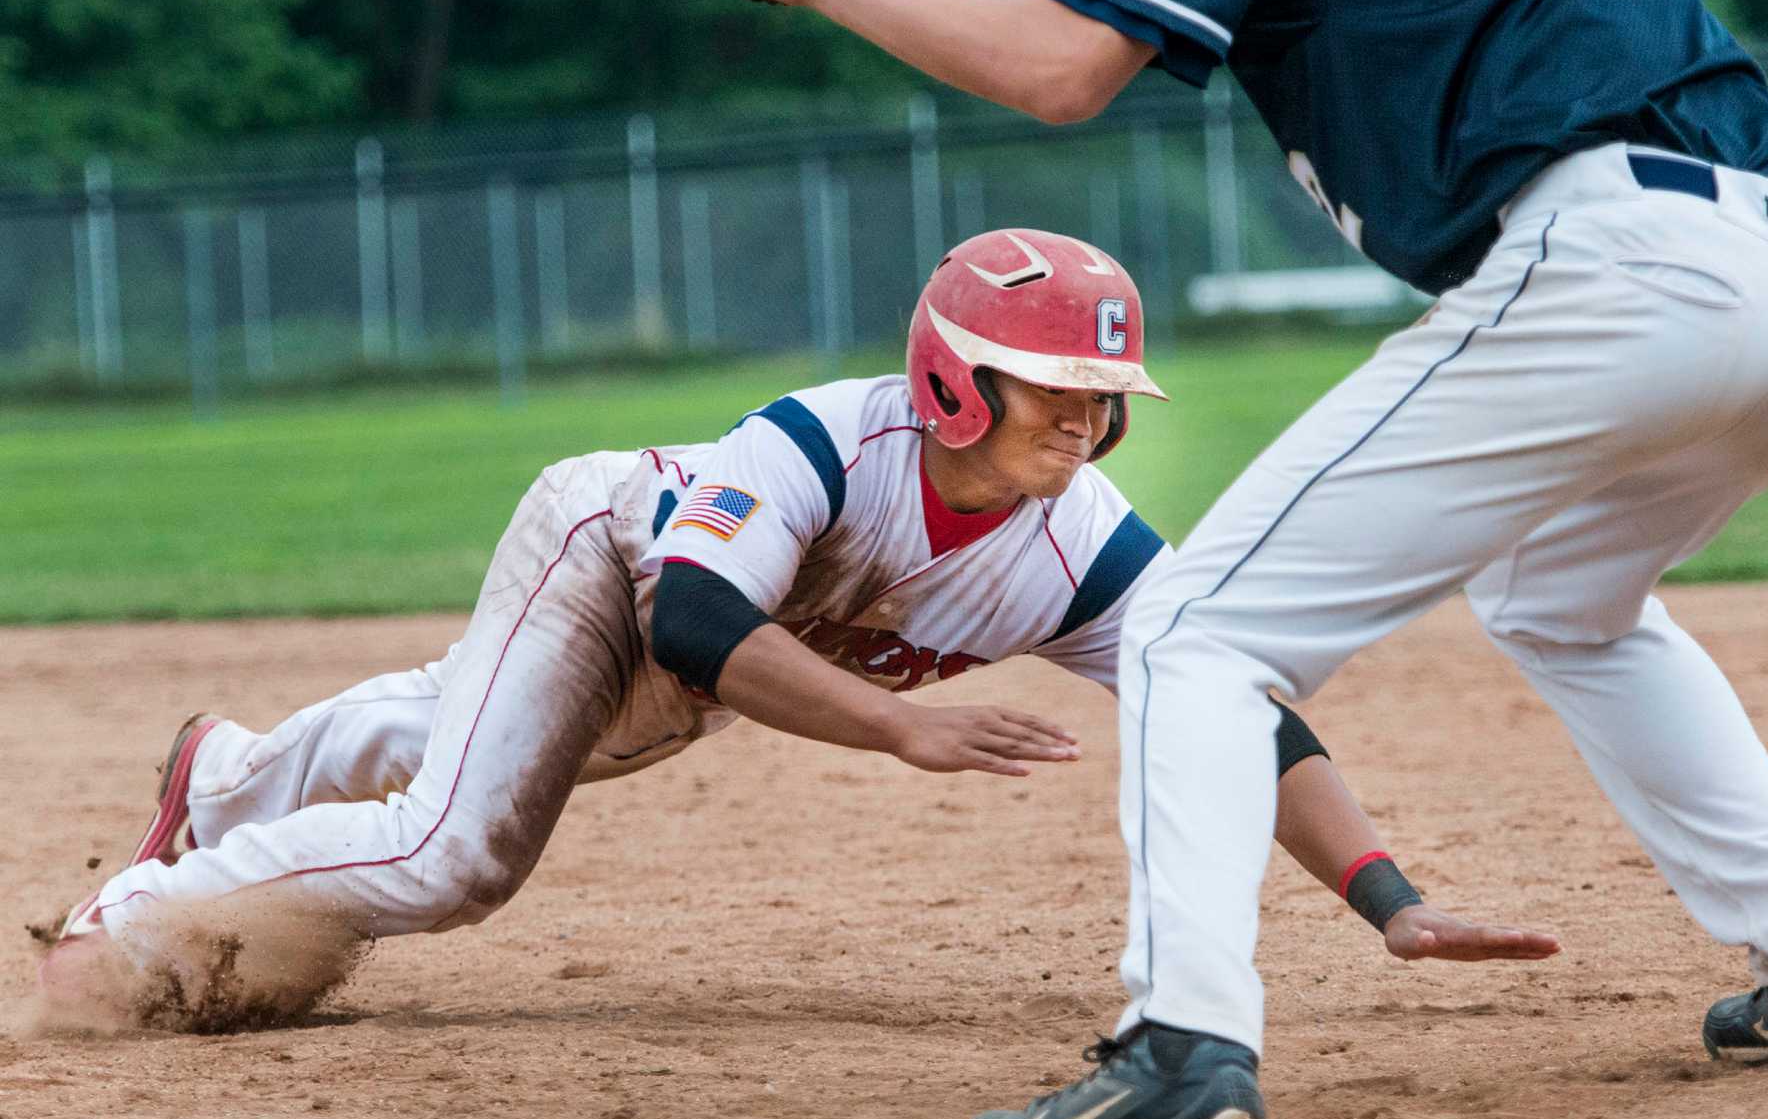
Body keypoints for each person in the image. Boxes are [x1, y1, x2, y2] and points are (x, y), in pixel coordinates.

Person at [711, 0, 1768, 1119]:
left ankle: (1184, 1042)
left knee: (1192, 631)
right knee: (1563, 601)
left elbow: (1060, 71)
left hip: (1623, 267)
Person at [38, 228, 1557, 1029]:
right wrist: (905, 725)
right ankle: (136, 922)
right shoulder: (823, 446)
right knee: (462, 850)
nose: (1095, 419)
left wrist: (1388, 896)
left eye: (1108, 397)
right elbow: (696, 619)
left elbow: (1241, 708)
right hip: (614, 556)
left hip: (731, 648)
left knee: (472, 730)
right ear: (957, 381)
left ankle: (234, 775)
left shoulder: (1078, 550)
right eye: (1059, 387)